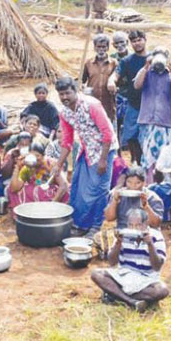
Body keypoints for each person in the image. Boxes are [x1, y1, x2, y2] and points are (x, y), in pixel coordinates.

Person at [52, 77, 117, 236]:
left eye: (67, 93)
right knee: (78, 189)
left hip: (104, 149)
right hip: (86, 149)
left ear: (76, 91)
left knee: (99, 189)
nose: (65, 97)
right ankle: (80, 224)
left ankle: (95, 226)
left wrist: (103, 160)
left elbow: (107, 133)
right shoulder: (64, 112)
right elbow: (67, 141)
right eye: (61, 94)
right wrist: (58, 165)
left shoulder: (91, 105)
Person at [91, 208, 168, 312]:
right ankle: (131, 301)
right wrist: (118, 243)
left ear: (146, 224)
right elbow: (112, 262)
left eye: (138, 225)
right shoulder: (123, 234)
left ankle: (115, 295)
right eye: (131, 225)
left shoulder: (156, 236)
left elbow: (157, 266)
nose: (134, 228)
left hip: (146, 279)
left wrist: (150, 244)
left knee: (162, 290)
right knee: (96, 274)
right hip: (124, 275)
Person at [134, 47, 171, 175]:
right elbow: (137, 85)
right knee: (147, 157)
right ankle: (148, 181)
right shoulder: (146, 72)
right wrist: (146, 66)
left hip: (164, 121)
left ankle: (161, 181)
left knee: (164, 155)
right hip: (147, 120)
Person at [112, 30, 148, 165]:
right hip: (133, 102)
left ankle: (147, 163)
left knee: (147, 135)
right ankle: (134, 160)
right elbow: (116, 75)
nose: (137, 43)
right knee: (131, 134)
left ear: (145, 39)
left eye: (139, 40)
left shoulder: (153, 59)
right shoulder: (127, 61)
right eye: (134, 41)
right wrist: (111, 81)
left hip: (150, 104)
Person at [82, 33, 118, 124]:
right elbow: (81, 81)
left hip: (108, 105)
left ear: (108, 48)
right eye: (98, 47)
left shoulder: (114, 63)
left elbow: (119, 82)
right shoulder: (88, 63)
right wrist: (83, 89)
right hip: (92, 103)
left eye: (103, 47)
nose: (101, 50)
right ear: (94, 47)